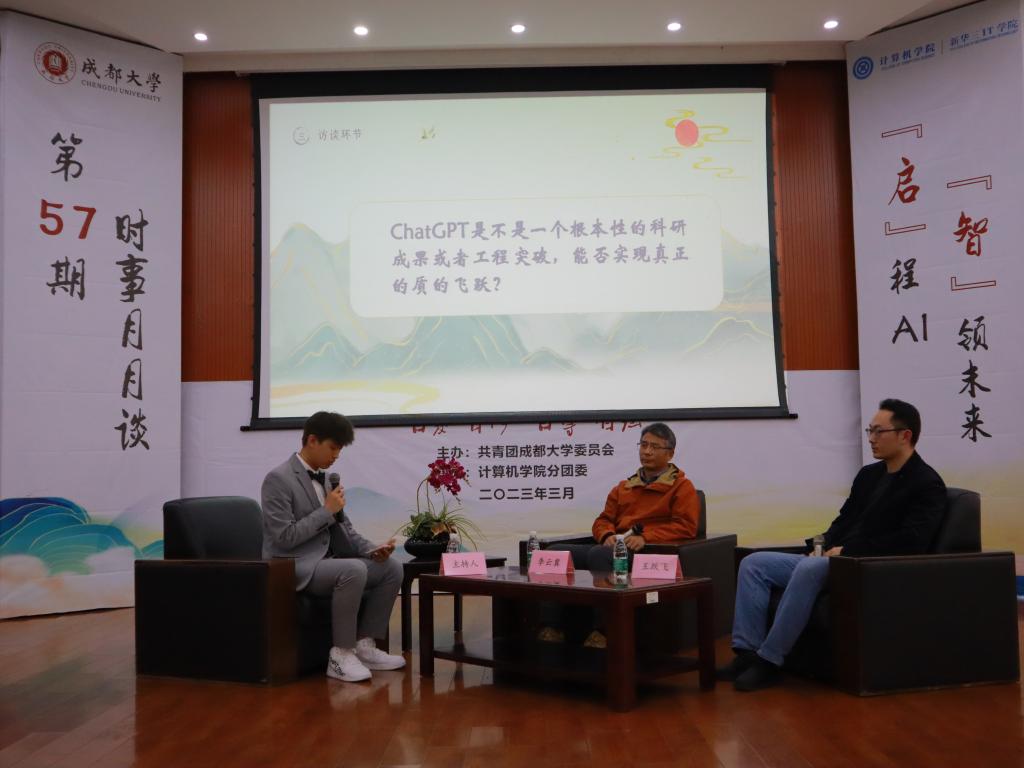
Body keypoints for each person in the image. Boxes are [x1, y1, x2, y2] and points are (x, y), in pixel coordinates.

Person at [719, 398, 946, 691]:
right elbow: (844, 520)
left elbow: (911, 541)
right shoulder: (869, 475)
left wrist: (848, 552)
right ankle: (747, 654)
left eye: (879, 431)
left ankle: (770, 661)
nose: (871, 438)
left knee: (809, 569)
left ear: (905, 435)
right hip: (834, 559)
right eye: (870, 431)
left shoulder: (926, 483)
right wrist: (820, 544)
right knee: (754, 564)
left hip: (869, 567)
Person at [262, 411, 406, 682]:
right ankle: (341, 655)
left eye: (340, 450)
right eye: (333, 447)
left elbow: (345, 529)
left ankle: (365, 647)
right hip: (293, 565)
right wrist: (326, 511)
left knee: (392, 568)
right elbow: (283, 538)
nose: (336, 456)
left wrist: (372, 550)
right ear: (312, 440)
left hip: (329, 562)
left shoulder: (328, 480)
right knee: (352, 570)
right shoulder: (278, 479)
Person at [539, 422, 701, 646]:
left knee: (601, 555)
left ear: (670, 453)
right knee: (555, 553)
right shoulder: (624, 487)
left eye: (655, 447)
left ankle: (604, 632)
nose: (647, 451)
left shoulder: (682, 487)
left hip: (646, 552)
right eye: (643, 445)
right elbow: (603, 520)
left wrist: (646, 537)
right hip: (615, 545)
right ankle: (553, 627)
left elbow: (686, 526)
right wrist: (606, 534)